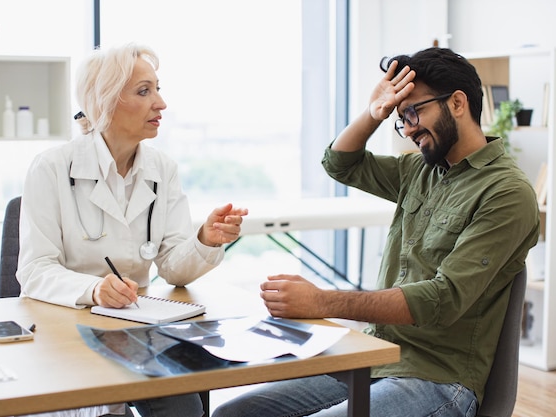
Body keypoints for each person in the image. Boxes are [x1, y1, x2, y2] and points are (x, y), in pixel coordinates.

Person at [212, 47, 540, 417]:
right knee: (235, 413)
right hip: (376, 358)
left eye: (414, 112)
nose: (409, 128)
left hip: (438, 380)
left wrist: (323, 302)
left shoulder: (506, 192)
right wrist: (373, 113)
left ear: (458, 103)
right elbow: (340, 164)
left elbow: (443, 298)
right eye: (401, 118)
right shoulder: (419, 171)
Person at [17, 43, 248, 417]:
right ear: (104, 103)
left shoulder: (162, 169)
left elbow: (173, 267)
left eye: (157, 88)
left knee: (185, 411)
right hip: (68, 333)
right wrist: (93, 289)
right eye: (144, 91)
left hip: (141, 334)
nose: (161, 103)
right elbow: (34, 270)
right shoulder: (51, 168)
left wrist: (205, 238)